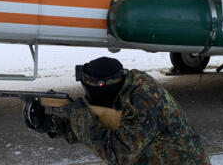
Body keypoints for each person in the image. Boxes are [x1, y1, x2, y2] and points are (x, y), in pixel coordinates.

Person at [36, 57, 210, 164]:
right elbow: (105, 124)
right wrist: (54, 125)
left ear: (101, 87)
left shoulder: (142, 100)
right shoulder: (125, 85)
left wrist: (79, 115)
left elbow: (119, 153)